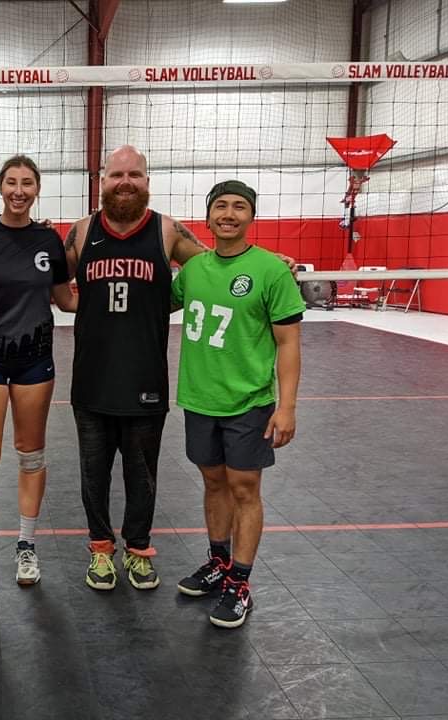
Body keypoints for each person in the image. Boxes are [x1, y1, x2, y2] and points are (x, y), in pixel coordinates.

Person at [65, 145, 219, 593]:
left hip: (145, 378)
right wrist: (76, 304)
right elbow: (50, 278)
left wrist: (268, 263)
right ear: (103, 182)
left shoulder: (166, 230)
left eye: (134, 174)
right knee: (93, 475)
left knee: (142, 474)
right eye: (117, 175)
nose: (125, 182)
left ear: (147, 181)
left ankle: (138, 549)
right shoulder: (82, 231)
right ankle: (100, 549)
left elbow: (215, 267)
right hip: (92, 379)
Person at [173, 180, 303, 628]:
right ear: (208, 217)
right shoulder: (193, 270)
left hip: (248, 401)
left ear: (251, 217)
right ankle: (218, 562)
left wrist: (287, 407)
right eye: (221, 207)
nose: (229, 214)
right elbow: (155, 302)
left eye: (239, 207)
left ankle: (240, 583)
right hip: (199, 398)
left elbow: (288, 343)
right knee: (213, 483)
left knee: (245, 489)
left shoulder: (270, 271)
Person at [0, 155, 76, 590]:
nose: (19, 191)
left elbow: (66, 300)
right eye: (11, 182)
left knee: (31, 454)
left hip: (34, 356)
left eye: (27, 183)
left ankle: (26, 545)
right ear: (0, 186)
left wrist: (127, 302)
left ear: (37, 189)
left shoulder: (48, 239)